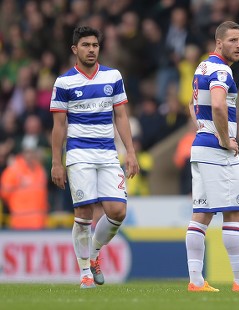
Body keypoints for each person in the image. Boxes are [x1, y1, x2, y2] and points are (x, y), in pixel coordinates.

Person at [50, 26, 139, 289]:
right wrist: (57, 162)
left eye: (95, 45)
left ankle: (95, 252)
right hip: (79, 153)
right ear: (75, 49)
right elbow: (59, 126)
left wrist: (131, 152)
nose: (91, 49)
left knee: (117, 211)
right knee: (84, 212)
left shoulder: (113, 76)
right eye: (86, 45)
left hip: (108, 152)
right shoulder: (64, 82)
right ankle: (86, 273)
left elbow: (121, 116)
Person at [185, 21, 239, 292]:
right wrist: (224, 138)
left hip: (201, 146)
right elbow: (219, 105)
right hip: (217, 151)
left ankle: (196, 281)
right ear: (218, 42)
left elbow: (193, 104)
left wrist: (202, 127)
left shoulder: (203, 67)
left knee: (201, 215)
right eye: (233, 40)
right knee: (234, 212)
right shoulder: (221, 71)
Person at [0, 137, 48, 230]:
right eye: (28, 151)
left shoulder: (40, 170)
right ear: (23, 152)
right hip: (20, 222)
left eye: (33, 151)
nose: (31, 155)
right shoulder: (13, 170)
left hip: (39, 222)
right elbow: (4, 193)